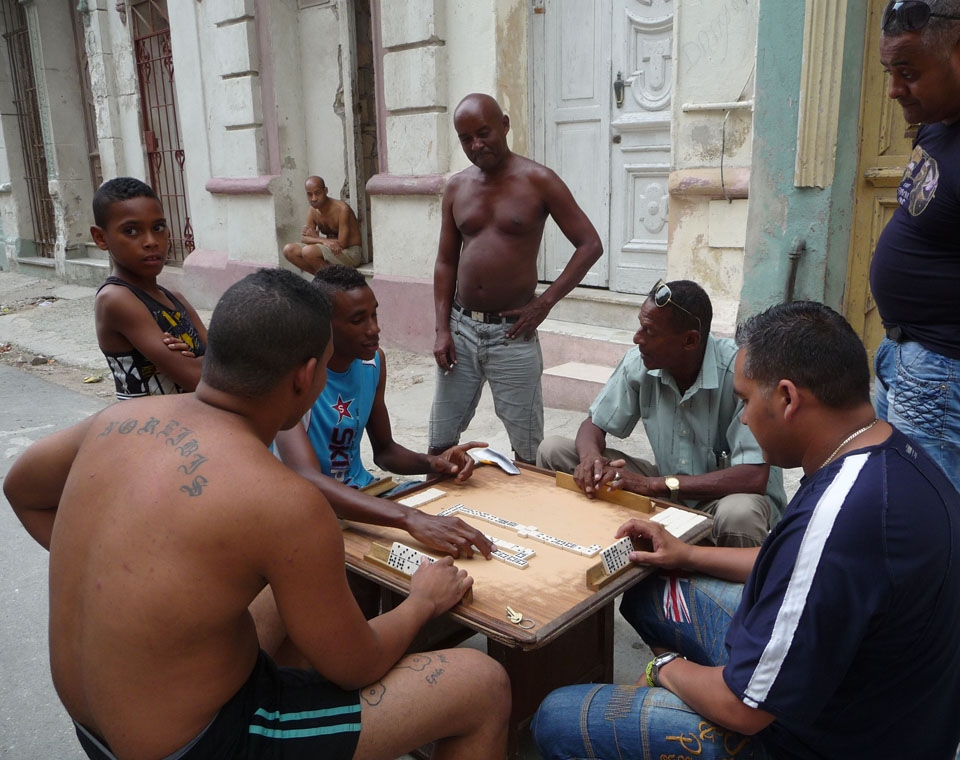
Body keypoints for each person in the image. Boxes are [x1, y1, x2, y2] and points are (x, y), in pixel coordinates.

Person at [4, 268, 510, 760]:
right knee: (482, 684)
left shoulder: (114, 420)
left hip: (96, 727)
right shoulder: (285, 500)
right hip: (198, 744)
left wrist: (120, 572)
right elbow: (357, 666)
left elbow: (20, 488)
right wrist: (422, 600)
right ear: (307, 376)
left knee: (280, 601)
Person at [532, 301, 960, 760]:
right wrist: (688, 555)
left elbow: (744, 709)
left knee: (555, 715)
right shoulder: (894, 454)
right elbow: (800, 567)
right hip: (884, 703)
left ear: (788, 398)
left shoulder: (840, 515)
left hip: (818, 739)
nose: (745, 418)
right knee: (648, 592)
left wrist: (666, 670)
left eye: (745, 401)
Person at [537, 279, 785, 547]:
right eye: (640, 326)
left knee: (740, 513)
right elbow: (593, 425)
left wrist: (652, 485)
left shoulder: (739, 373)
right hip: (667, 494)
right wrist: (591, 460)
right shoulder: (640, 362)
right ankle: (579, 547)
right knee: (554, 451)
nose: (637, 337)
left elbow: (753, 477)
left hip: (723, 500)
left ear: (690, 340)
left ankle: (729, 583)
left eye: (649, 331)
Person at [275, 264, 495, 559]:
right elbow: (306, 479)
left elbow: (385, 451)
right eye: (358, 320)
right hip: (315, 510)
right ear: (323, 325)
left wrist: (435, 462)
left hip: (367, 494)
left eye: (374, 314)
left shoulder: (373, 363)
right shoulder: (296, 376)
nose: (374, 329)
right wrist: (408, 518)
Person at [430, 93, 603, 463]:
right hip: (461, 329)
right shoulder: (457, 187)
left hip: (512, 335)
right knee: (440, 443)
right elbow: (445, 261)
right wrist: (441, 328)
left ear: (505, 125)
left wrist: (544, 303)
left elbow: (589, 245)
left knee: (528, 451)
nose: (477, 145)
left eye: (484, 133)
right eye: (466, 139)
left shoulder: (539, 181)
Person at [871, 0, 960, 492]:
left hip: (941, 371)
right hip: (901, 352)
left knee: (927, 512)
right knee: (893, 494)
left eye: (907, 73)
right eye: (889, 71)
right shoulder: (937, 122)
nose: (893, 90)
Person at [91, 177, 207, 399]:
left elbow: (227, 363)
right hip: (149, 428)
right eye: (131, 231)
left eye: (158, 227)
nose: (151, 241)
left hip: (193, 422)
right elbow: (198, 377)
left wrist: (199, 362)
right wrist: (200, 363)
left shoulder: (175, 298)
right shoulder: (115, 299)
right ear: (100, 237)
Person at [282, 175, 363, 274]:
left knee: (308, 251)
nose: (314, 198)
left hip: (350, 253)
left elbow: (342, 244)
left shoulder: (342, 209)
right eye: (309, 194)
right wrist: (322, 240)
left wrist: (318, 239)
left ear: (326, 191)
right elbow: (305, 239)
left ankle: (330, 283)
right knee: (289, 250)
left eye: (317, 193)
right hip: (330, 249)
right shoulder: (312, 210)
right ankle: (324, 279)